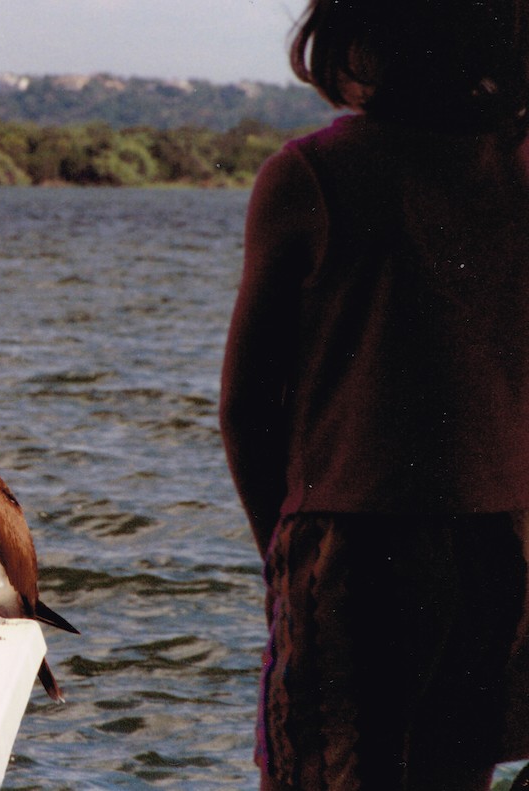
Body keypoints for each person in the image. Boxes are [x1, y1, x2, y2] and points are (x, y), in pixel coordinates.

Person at [219, 1, 529, 788]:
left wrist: (285, 553)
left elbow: (247, 408)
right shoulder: (514, 171)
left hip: (351, 541)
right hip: (499, 541)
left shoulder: (309, 175)